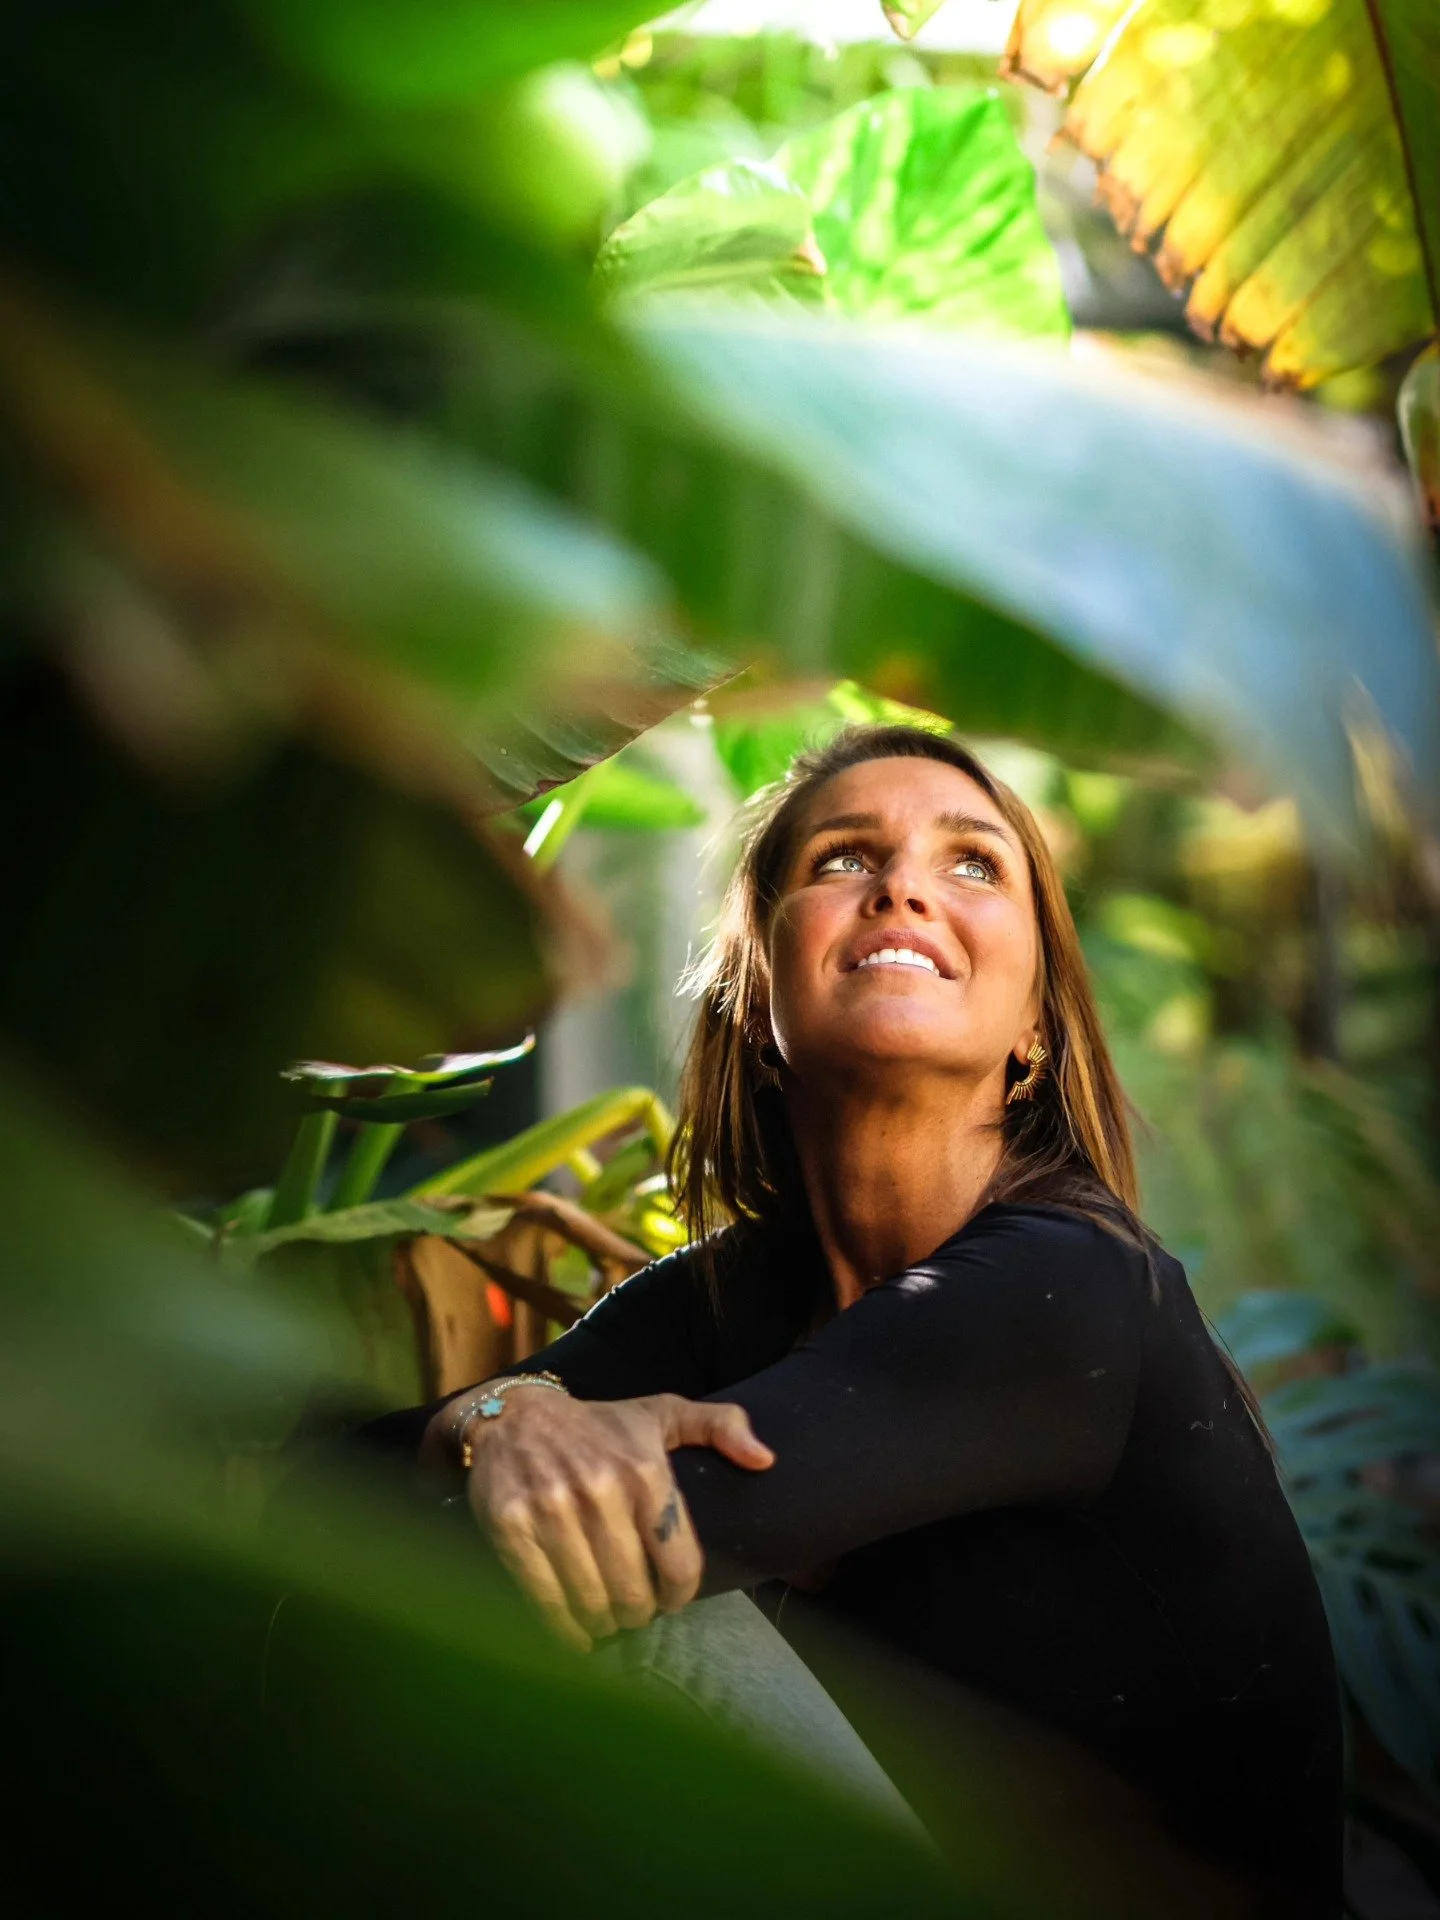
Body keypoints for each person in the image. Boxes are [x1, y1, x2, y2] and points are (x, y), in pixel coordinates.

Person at [370, 724, 1342, 1916]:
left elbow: (559, 1550)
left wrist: (504, 1450)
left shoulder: (1071, 1285)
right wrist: (502, 1414)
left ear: (1036, 1025)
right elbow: (324, 1478)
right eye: (842, 859)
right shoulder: (728, 1296)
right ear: (756, 991)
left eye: (973, 863)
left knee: (619, 1596)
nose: (904, 888)